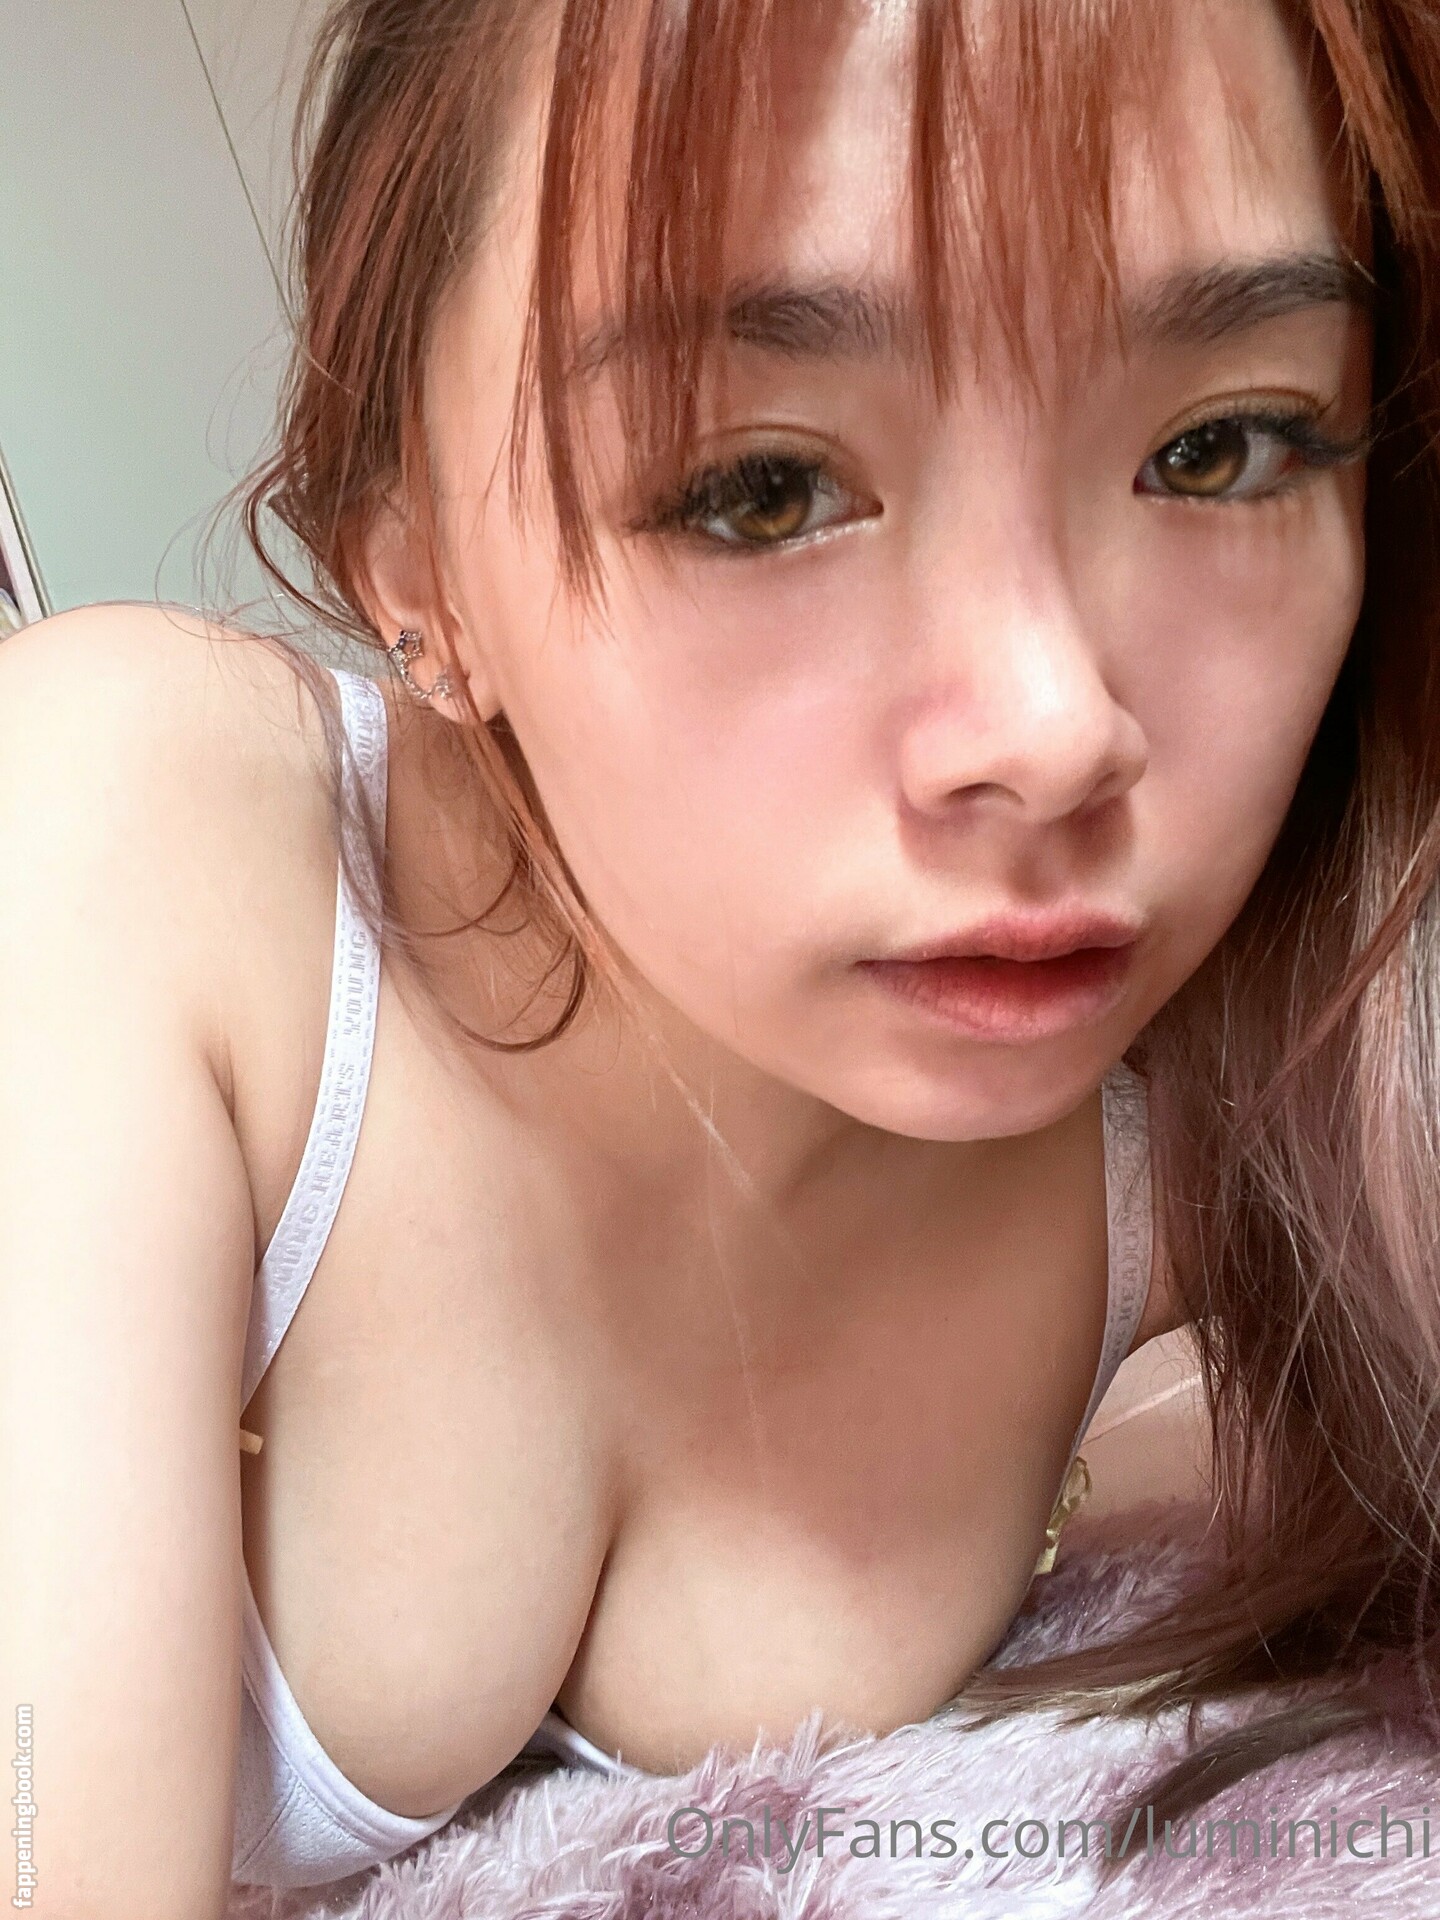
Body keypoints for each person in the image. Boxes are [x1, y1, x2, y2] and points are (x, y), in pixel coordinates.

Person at [3, 0, 1437, 1912]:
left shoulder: (1223, 1119)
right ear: (409, 558)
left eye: (1220, 446)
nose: (1053, 728)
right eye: (765, 489)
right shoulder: (137, 832)